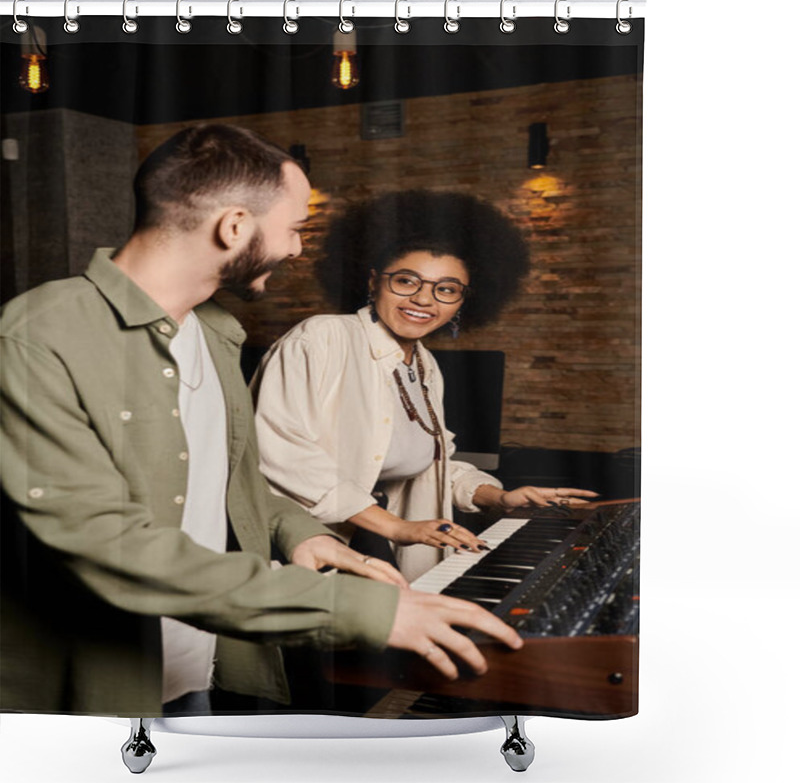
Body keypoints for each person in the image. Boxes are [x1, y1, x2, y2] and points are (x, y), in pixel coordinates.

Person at [0, 126, 523, 719]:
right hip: (94, 694)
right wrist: (356, 609)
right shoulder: (35, 336)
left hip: (192, 666)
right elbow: (104, 545)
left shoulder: (215, 333)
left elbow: (239, 483)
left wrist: (307, 536)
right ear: (235, 226)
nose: (299, 249)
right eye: (295, 228)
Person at [253, 190, 597, 582]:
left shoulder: (426, 366)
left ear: (461, 302)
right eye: (406, 281)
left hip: (373, 542)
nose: (423, 299)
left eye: (446, 289)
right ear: (373, 283)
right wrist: (397, 528)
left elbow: (433, 466)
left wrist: (499, 498)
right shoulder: (321, 338)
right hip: (302, 544)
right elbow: (281, 453)